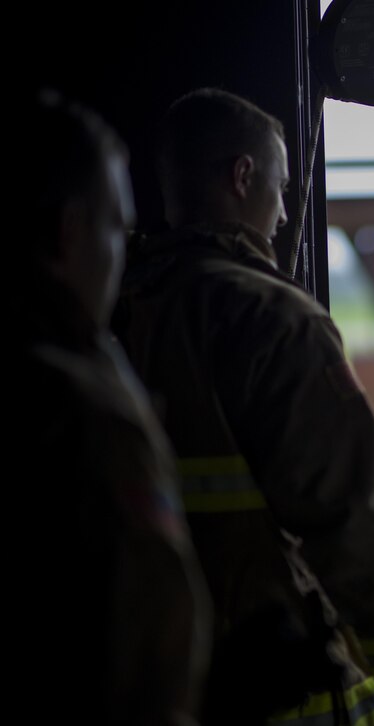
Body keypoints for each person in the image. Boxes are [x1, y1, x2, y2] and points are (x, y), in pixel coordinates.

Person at [112, 88, 374, 725]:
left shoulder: (112, 310)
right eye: (278, 187)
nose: (282, 216)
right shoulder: (272, 318)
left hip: (143, 676)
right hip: (266, 682)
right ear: (242, 177)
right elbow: (353, 515)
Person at [17, 90, 211, 725]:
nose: (124, 257)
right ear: (71, 232)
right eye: (117, 229)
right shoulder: (87, 411)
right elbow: (145, 648)